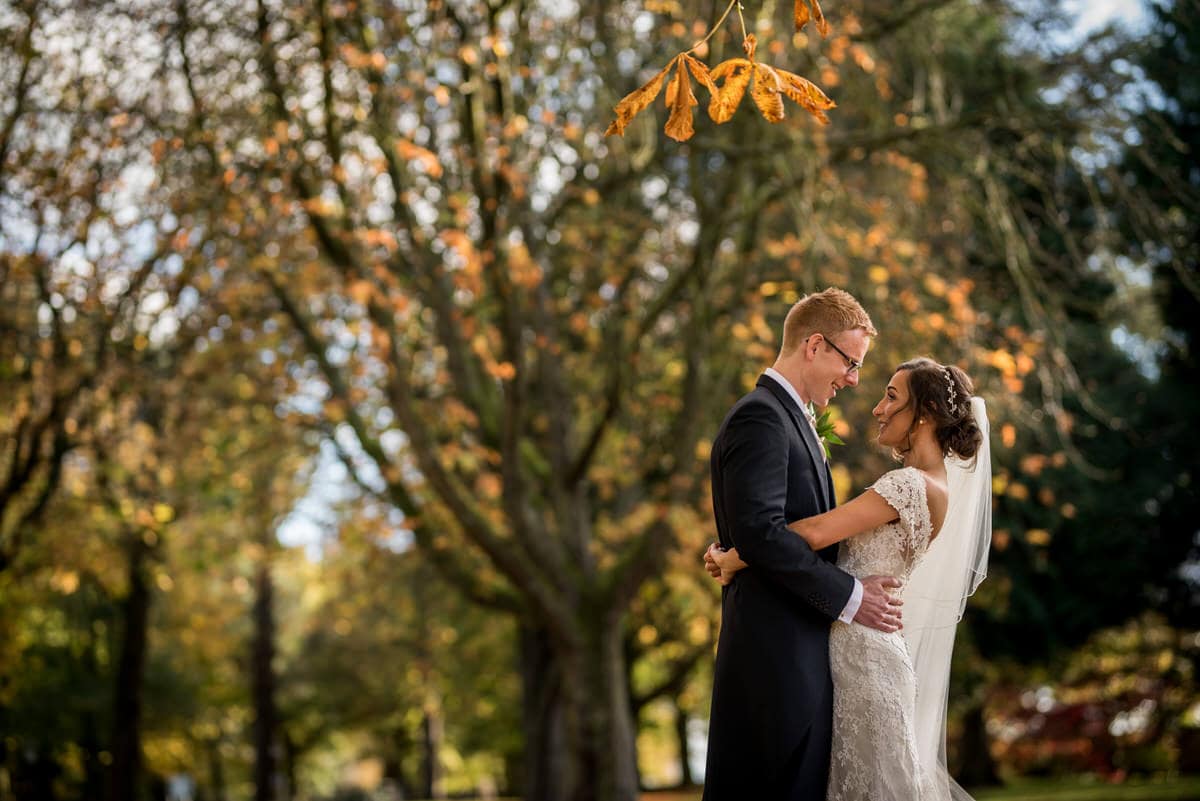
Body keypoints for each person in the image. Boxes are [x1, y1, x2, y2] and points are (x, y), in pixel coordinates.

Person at [707, 357, 992, 801]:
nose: (878, 408)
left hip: (866, 659)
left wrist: (735, 557)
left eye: (891, 397)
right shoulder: (931, 485)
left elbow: (818, 532)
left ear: (925, 413)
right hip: (861, 650)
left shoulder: (908, 486)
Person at [700, 288, 905, 801]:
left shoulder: (786, 419)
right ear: (814, 345)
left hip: (794, 659)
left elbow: (761, 528)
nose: (854, 379)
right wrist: (853, 597)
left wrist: (730, 551)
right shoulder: (762, 417)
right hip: (774, 665)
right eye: (851, 362)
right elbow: (761, 532)